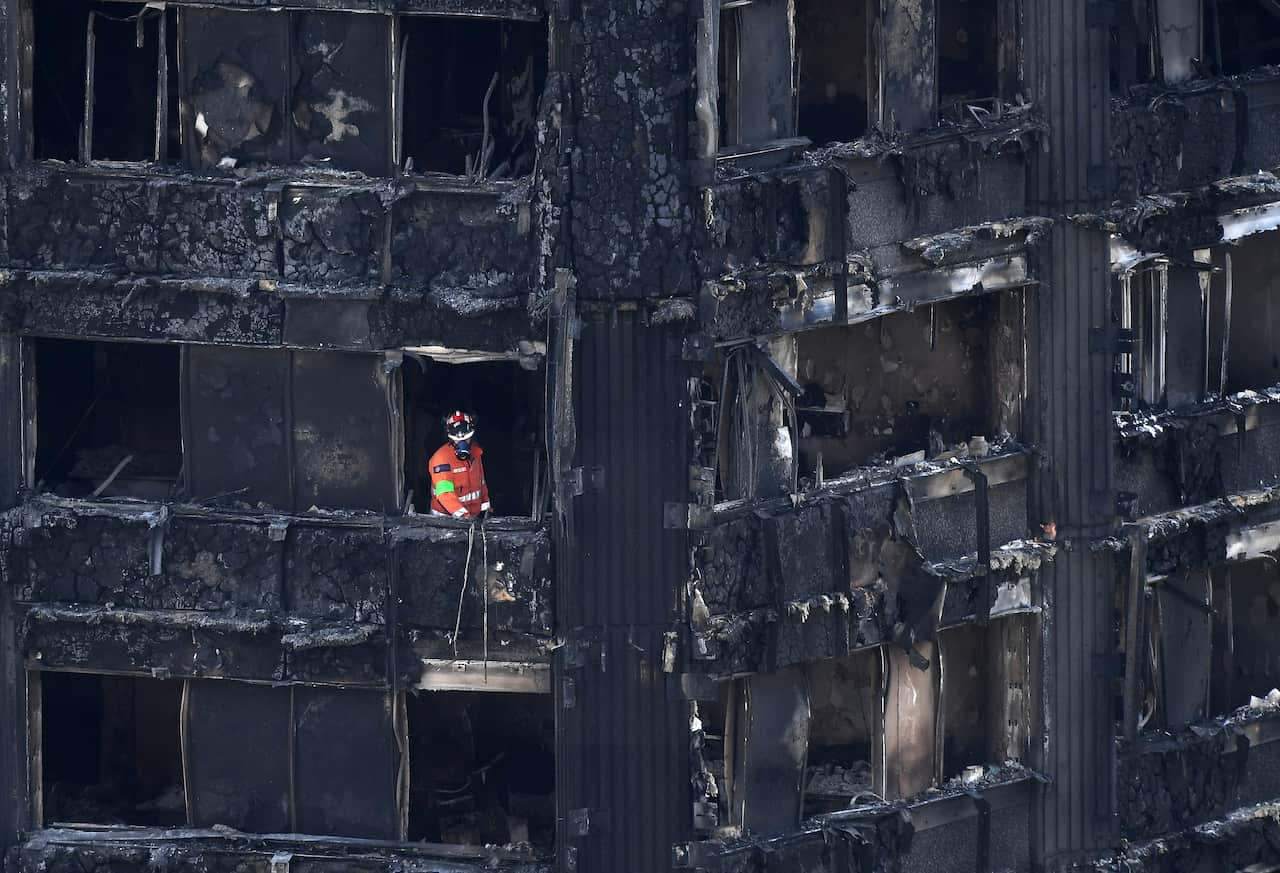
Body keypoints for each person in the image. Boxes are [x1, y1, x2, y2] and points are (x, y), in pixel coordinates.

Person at [428, 411, 491, 519]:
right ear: (450, 438)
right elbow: (445, 494)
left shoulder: (476, 454)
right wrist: (464, 516)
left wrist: (486, 510)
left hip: (472, 518)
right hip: (444, 521)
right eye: (457, 440)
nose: (462, 443)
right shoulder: (441, 460)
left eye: (466, 438)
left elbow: (482, 485)